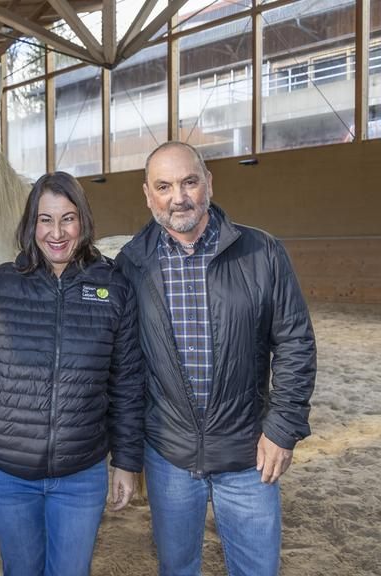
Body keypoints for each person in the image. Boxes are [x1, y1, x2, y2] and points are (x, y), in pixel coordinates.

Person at [0, 172, 145, 576]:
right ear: (31, 224)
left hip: (81, 476)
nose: (56, 233)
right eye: (45, 219)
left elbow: (127, 382)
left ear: (83, 221)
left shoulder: (113, 287)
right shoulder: (3, 282)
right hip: (9, 476)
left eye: (68, 219)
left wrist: (126, 461)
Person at [115, 141, 317, 576]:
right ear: (148, 195)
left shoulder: (262, 252)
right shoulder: (130, 266)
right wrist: (128, 457)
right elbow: (126, 372)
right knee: (177, 568)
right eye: (164, 186)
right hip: (169, 457)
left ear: (209, 182)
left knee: (256, 569)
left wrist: (282, 430)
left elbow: (295, 344)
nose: (178, 197)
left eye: (189, 182)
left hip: (249, 454)